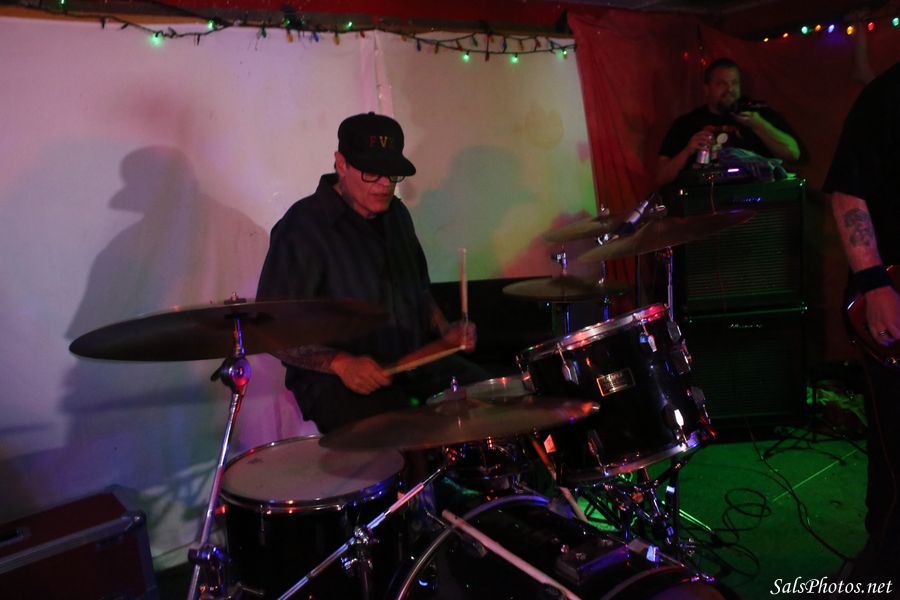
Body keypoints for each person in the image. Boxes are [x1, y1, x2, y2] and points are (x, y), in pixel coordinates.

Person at [256, 112, 487, 435]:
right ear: (341, 164)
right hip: (335, 380)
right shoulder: (303, 227)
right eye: (371, 173)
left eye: (391, 174)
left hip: (412, 363)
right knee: (399, 433)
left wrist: (447, 330)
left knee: (492, 399)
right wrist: (340, 363)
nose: (384, 184)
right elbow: (271, 327)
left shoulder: (397, 215)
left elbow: (418, 290)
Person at [824, 60, 900, 591]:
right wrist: (875, 285)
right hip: (891, 293)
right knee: (896, 448)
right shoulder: (886, 96)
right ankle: (885, 567)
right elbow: (847, 193)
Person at [656, 57, 801, 187]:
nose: (730, 89)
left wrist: (759, 125)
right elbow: (660, 177)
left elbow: (793, 153)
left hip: (753, 199)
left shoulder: (757, 115)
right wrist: (687, 151)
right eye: (721, 83)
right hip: (704, 201)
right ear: (707, 89)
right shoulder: (686, 123)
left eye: (734, 83)